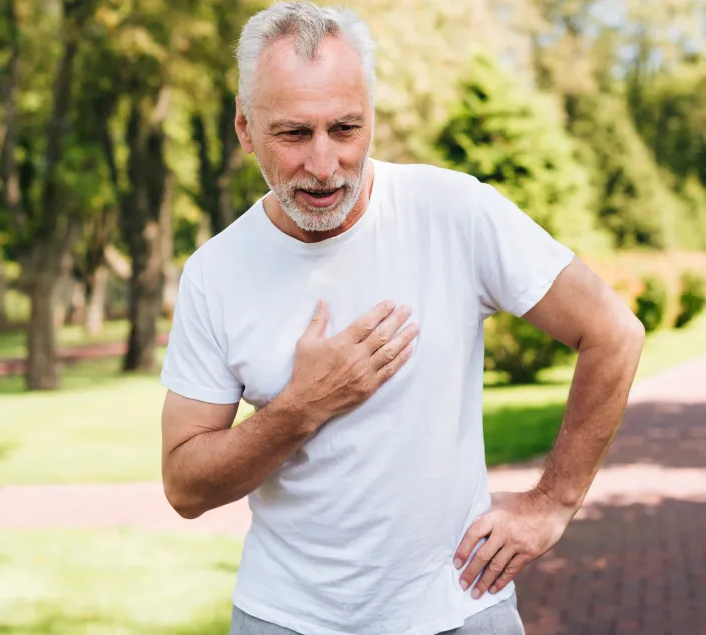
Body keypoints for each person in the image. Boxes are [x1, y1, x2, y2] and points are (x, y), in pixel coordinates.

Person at [159, 2, 645, 634]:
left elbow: (612, 332)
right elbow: (186, 486)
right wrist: (304, 405)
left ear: (372, 118)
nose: (324, 164)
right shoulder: (214, 272)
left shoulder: (455, 212)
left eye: (345, 128)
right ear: (246, 129)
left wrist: (553, 501)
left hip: (460, 607)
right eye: (293, 134)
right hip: (285, 618)